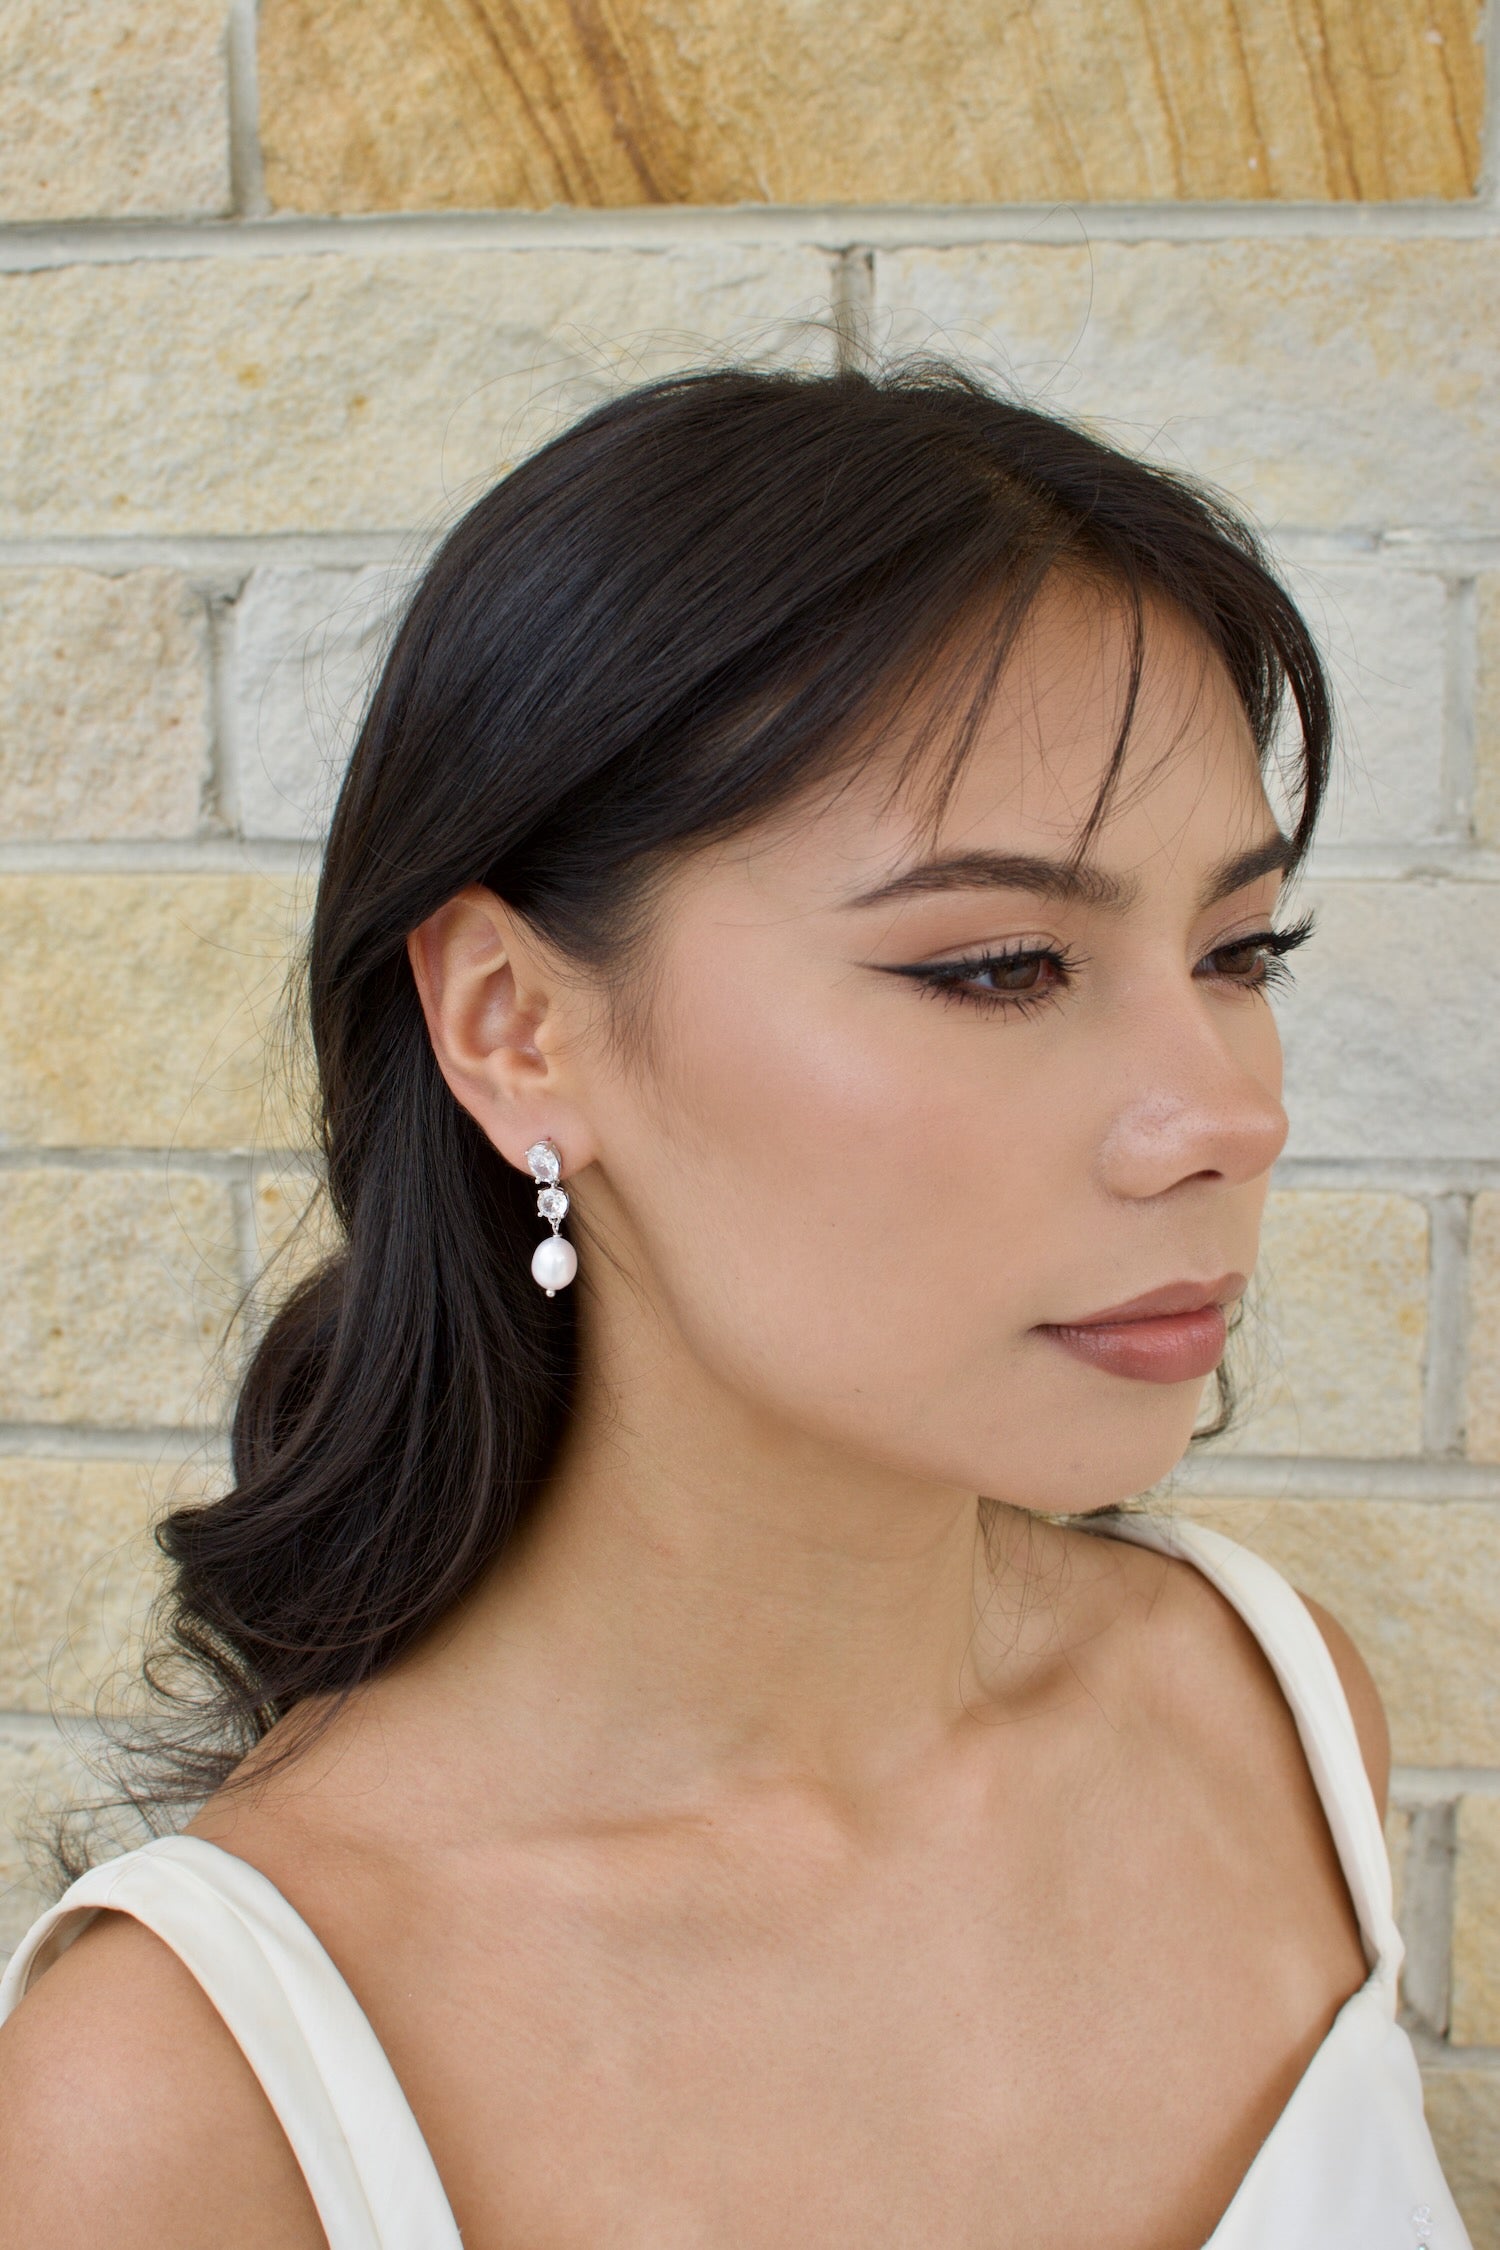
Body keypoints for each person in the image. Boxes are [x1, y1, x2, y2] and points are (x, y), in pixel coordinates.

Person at [0, 364, 1470, 2249]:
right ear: (516, 1027)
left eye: (1240, 949)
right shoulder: (182, 2103)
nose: (1228, 1116)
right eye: (1003, 964)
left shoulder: (1268, 1711)